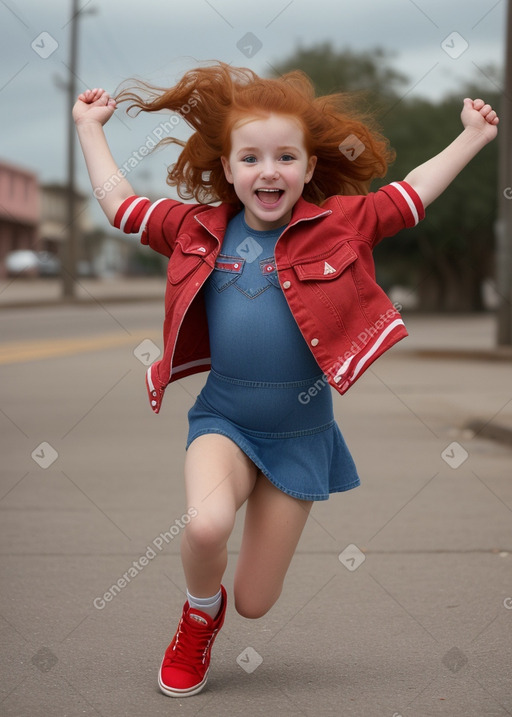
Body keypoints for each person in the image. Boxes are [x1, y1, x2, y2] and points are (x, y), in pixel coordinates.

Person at [73, 62, 498, 698]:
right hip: (225, 419)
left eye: (284, 157)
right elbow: (119, 205)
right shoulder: (196, 230)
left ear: (306, 166)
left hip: (301, 434)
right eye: (250, 157)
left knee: (253, 601)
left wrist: (471, 136)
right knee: (206, 525)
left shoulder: (340, 225)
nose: (268, 171)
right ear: (228, 168)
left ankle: (221, 609)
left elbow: (410, 195)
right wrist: (89, 127)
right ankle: (194, 619)